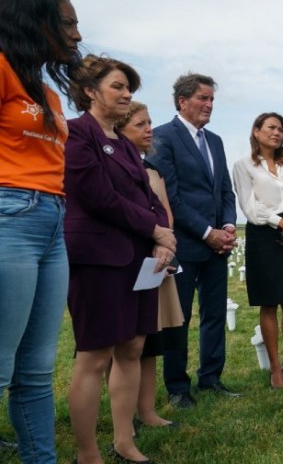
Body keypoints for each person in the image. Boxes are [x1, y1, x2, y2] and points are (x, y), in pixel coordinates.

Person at [65, 55, 173, 464]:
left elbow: (149, 198)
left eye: (130, 88)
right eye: (118, 86)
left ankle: (125, 440)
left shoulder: (126, 146)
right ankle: (87, 452)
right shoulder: (77, 134)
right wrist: (154, 229)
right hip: (98, 258)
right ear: (90, 91)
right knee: (94, 356)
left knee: (132, 348)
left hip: (138, 260)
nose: (127, 94)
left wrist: (163, 239)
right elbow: (96, 195)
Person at [0, 0, 82, 463]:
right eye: (66, 23)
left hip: (52, 222)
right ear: (33, 20)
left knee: (36, 370)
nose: (75, 34)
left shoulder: (48, 95)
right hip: (10, 214)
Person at [147, 73, 240, 407]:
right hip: (184, 244)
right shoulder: (162, 137)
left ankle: (211, 377)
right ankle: (177, 386)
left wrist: (228, 225)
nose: (209, 104)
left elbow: (224, 189)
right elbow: (169, 196)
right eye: (203, 98)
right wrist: (207, 232)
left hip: (218, 246)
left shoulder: (214, 141)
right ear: (182, 101)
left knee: (215, 313)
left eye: (212, 99)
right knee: (179, 317)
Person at [233, 112, 283, 388]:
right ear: (256, 132)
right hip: (265, 233)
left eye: (280, 128)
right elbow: (249, 205)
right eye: (270, 127)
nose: (277, 133)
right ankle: (274, 369)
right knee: (269, 302)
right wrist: (282, 223)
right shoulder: (243, 166)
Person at [116, 101, 184, 429]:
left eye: (150, 123)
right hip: (126, 263)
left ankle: (147, 411)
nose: (149, 130)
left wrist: (165, 245)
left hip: (156, 265)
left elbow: (165, 213)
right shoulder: (111, 166)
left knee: (149, 342)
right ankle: (123, 417)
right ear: (120, 128)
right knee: (123, 345)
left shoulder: (153, 171)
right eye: (141, 124)